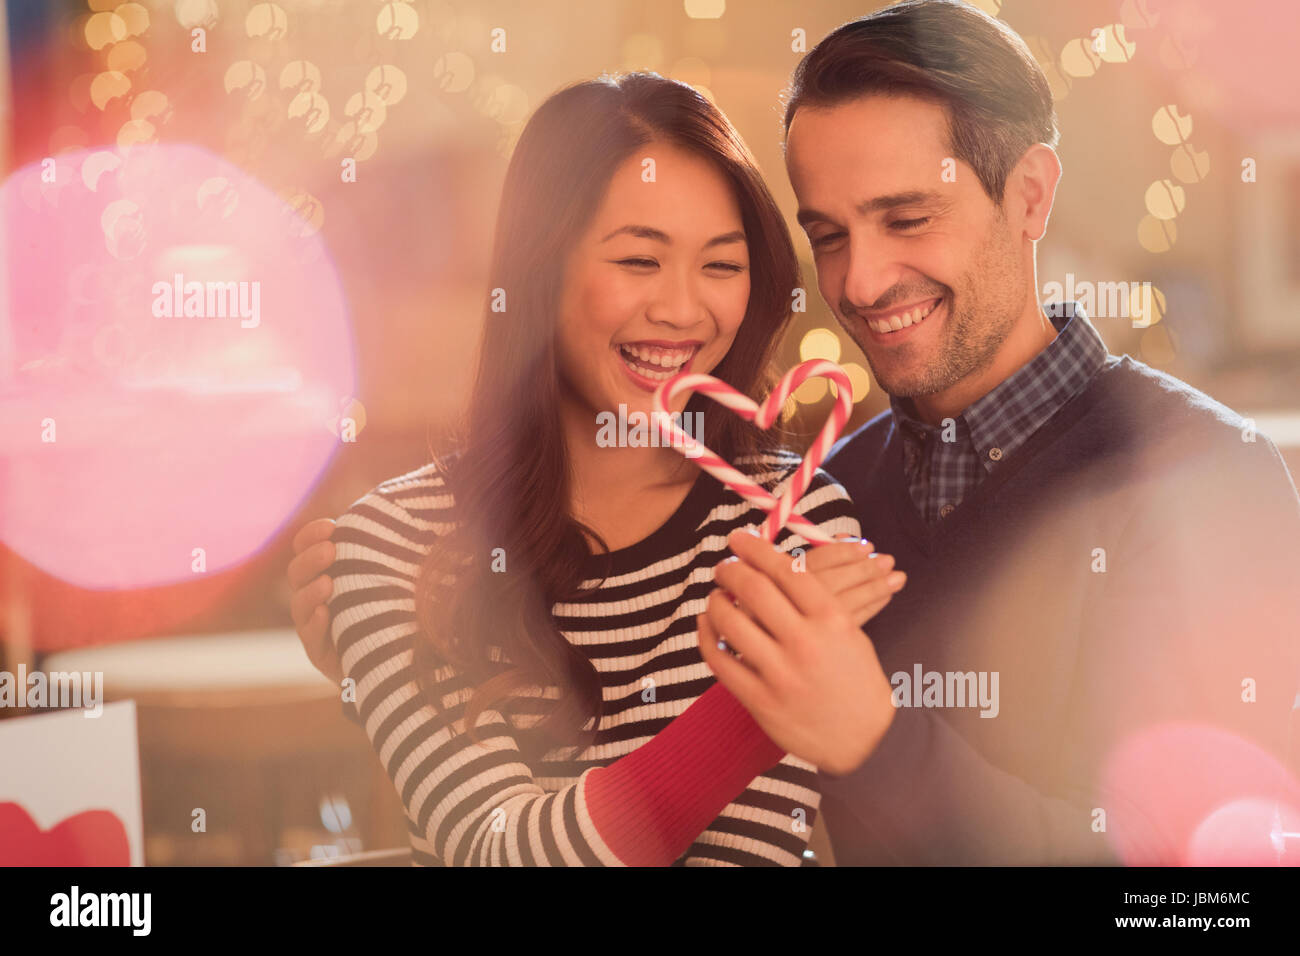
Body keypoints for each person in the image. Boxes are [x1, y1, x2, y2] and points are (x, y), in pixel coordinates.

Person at [696, 0, 1300, 864]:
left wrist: (875, 739)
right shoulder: (830, 494)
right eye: (828, 235)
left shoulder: (1211, 483)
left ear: (1029, 196)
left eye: (907, 219)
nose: (860, 283)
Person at [289, 71, 904, 867]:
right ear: (539, 276)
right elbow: (495, 850)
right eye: (639, 261)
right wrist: (762, 707)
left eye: (721, 266)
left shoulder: (793, 525)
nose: (684, 311)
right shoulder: (389, 548)